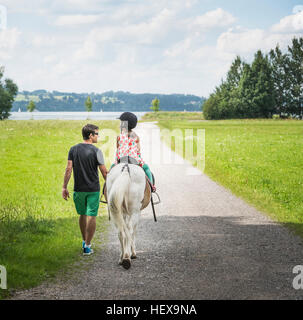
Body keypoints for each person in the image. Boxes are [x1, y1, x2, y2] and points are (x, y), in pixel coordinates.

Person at [62, 124, 108, 256]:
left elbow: (68, 169)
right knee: (92, 216)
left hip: (78, 189)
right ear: (90, 135)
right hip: (93, 189)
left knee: (82, 214)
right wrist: (108, 188)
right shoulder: (97, 151)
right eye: (97, 134)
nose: (98, 136)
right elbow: (104, 172)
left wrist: (64, 187)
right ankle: (87, 246)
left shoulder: (73, 149)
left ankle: (84, 241)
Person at [110, 112, 156, 192]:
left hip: (121, 159)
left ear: (124, 124)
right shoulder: (136, 137)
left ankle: (108, 187)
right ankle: (151, 187)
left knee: (111, 169)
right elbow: (138, 151)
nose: (119, 124)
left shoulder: (119, 137)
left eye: (121, 123)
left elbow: (117, 150)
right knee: (147, 168)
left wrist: (116, 161)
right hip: (134, 160)